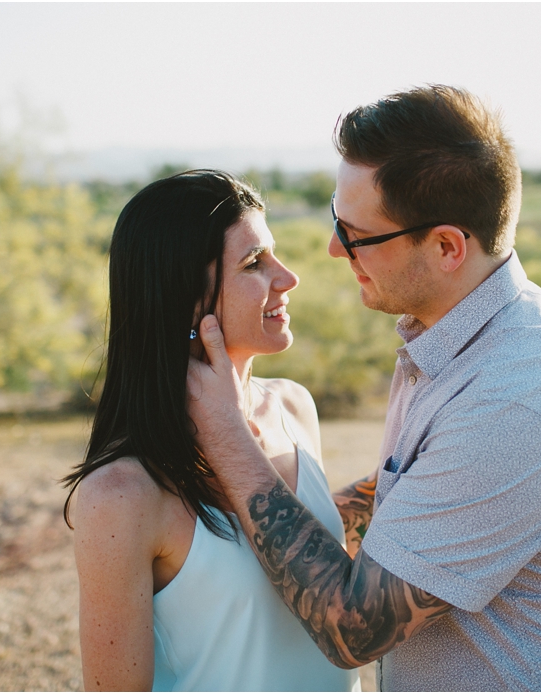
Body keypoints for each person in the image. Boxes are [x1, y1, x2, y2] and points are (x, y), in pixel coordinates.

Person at [186, 85, 541, 691]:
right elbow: (414, 488)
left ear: (448, 246)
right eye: (335, 219)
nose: (332, 249)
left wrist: (225, 436)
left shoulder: (518, 401)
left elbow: (352, 629)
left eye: (357, 235)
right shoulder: (463, 341)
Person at [62, 170, 360, 692]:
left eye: (274, 254)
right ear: (183, 297)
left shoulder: (294, 408)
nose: (287, 278)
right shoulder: (121, 493)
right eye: (253, 263)